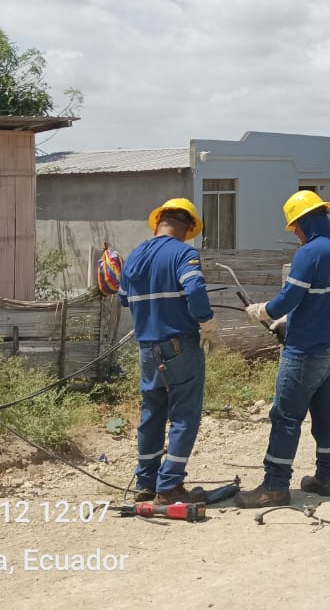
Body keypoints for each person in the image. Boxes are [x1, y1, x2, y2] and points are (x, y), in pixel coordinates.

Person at [237, 190, 330, 507]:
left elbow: (287, 299)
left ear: (303, 221)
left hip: (305, 351)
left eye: (295, 227)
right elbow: (318, 299)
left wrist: (263, 311)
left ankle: (274, 486)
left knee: (285, 417)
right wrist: (289, 319)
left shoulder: (308, 253)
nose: (295, 234)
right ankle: (326, 477)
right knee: (325, 415)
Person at [119, 197, 218, 504]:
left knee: (152, 414)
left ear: (158, 223)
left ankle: (146, 482)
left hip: (147, 349)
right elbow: (195, 290)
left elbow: (123, 299)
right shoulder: (183, 253)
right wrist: (206, 322)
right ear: (188, 228)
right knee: (184, 415)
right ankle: (170, 486)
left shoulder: (134, 257)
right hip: (179, 346)